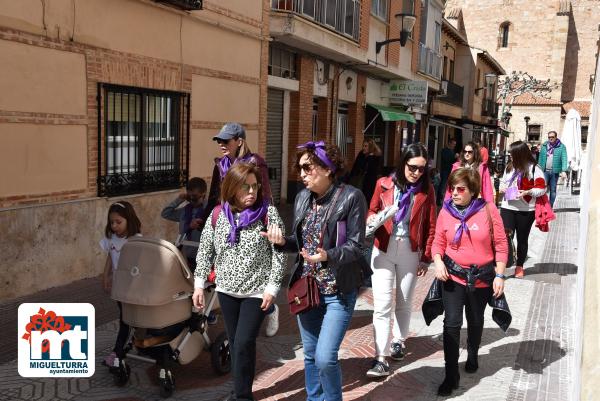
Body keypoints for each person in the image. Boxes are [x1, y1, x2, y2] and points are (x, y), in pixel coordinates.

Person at [262, 141, 368, 401]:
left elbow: (356, 246)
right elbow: (298, 243)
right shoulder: (301, 198)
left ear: (328, 169)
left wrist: (328, 255)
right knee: (310, 354)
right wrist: (281, 242)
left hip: (337, 291)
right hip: (306, 289)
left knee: (324, 357)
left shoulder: (352, 197)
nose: (302, 174)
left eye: (307, 168)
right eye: (300, 168)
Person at [192, 163, 286, 401]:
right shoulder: (217, 215)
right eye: (246, 187)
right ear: (232, 188)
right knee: (235, 343)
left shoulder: (268, 213)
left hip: (257, 291)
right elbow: (205, 251)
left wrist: (272, 288)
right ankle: (240, 390)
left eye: (255, 187)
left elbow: (280, 253)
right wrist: (199, 284)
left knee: (244, 342)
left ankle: (243, 397)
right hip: (226, 290)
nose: (252, 192)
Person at [432, 168, 508, 396]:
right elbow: (437, 242)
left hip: (481, 278)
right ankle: (450, 374)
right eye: (451, 189)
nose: (454, 193)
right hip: (453, 276)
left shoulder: (488, 210)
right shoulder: (445, 211)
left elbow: (502, 245)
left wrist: (500, 275)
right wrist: (438, 262)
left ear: (472, 191)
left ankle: (473, 352)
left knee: (475, 321)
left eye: (460, 189)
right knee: (451, 323)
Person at [365, 143, 436, 378]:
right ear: (403, 162)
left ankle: (398, 341)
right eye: (412, 167)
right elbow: (370, 213)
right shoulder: (383, 184)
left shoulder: (427, 191)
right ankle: (380, 358)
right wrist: (380, 216)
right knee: (382, 305)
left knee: (404, 302)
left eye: (422, 169)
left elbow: (431, 226)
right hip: (383, 247)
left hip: (410, 250)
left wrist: (426, 258)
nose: (416, 173)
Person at [203, 122, 279, 336]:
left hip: (252, 222)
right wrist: (206, 219)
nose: (221, 144)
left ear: (239, 141)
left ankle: (271, 309)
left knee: (252, 271)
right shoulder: (221, 164)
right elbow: (215, 197)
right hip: (228, 222)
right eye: (219, 141)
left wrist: (270, 222)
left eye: (225, 140)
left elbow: (265, 196)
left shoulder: (255, 162)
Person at [100, 201, 142, 367]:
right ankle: (133, 341)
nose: (114, 226)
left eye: (119, 222)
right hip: (118, 287)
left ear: (128, 220)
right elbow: (110, 257)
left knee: (126, 319)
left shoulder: (135, 240)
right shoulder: (111, 239)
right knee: (126, 317)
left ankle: (117, 351)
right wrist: (105, 276)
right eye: (112, 222)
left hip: (131, 287)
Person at [499, 141, 547, 278]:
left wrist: (527, 192)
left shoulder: (534, 169)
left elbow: (542, 189)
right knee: (505, 238)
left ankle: (519, 265)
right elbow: (504, 181)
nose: (510, 156)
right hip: (507, 206)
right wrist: (502, 188)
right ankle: (502, 266)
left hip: (526, 209)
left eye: (512, 154)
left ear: (520, 154)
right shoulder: (509, 166)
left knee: (522, 239)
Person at [161, 177, 207, 271]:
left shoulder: (209, 211)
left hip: (202, 258)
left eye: (195, 197)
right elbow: (165, 213)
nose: (192, 200)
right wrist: (179, 199)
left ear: (203, 195)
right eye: (189, 197)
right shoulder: (185, 211)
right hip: (185, 256)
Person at [537, 131, 568, 207]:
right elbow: (540, 158)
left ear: (556, 137)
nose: (550, 138)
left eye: (552, 137)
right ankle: (542, 206)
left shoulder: (561, 146)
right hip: (544, 171)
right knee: (542, 189)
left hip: (555, 172)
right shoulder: (544, 145)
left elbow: (564, 158)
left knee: (553, 190)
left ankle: (550, 206)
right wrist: (538, 168)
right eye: (549, 137)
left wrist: (564, 170)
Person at [348, 138, 382, 203]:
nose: (363, 148)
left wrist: (369, 158)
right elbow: (356, 166)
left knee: (367, 199)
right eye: (363, 146)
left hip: (370, 183)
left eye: (366, 146)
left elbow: (375, 171)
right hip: (358, 181)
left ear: (371, 147)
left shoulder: (376, 157)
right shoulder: (361, 154)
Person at [438, 138, 457, 205]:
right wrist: (454, 157)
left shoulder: (452, 151)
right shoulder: (444, 150)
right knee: (442, 185)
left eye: (455, 144)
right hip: (445, 170)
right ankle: (438, 200)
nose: (454, 146)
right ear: (449, 143)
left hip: (450, 170)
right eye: (453, 144)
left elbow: (452, 161)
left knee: (448, 186)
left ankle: (446, 200)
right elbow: (447, 159)